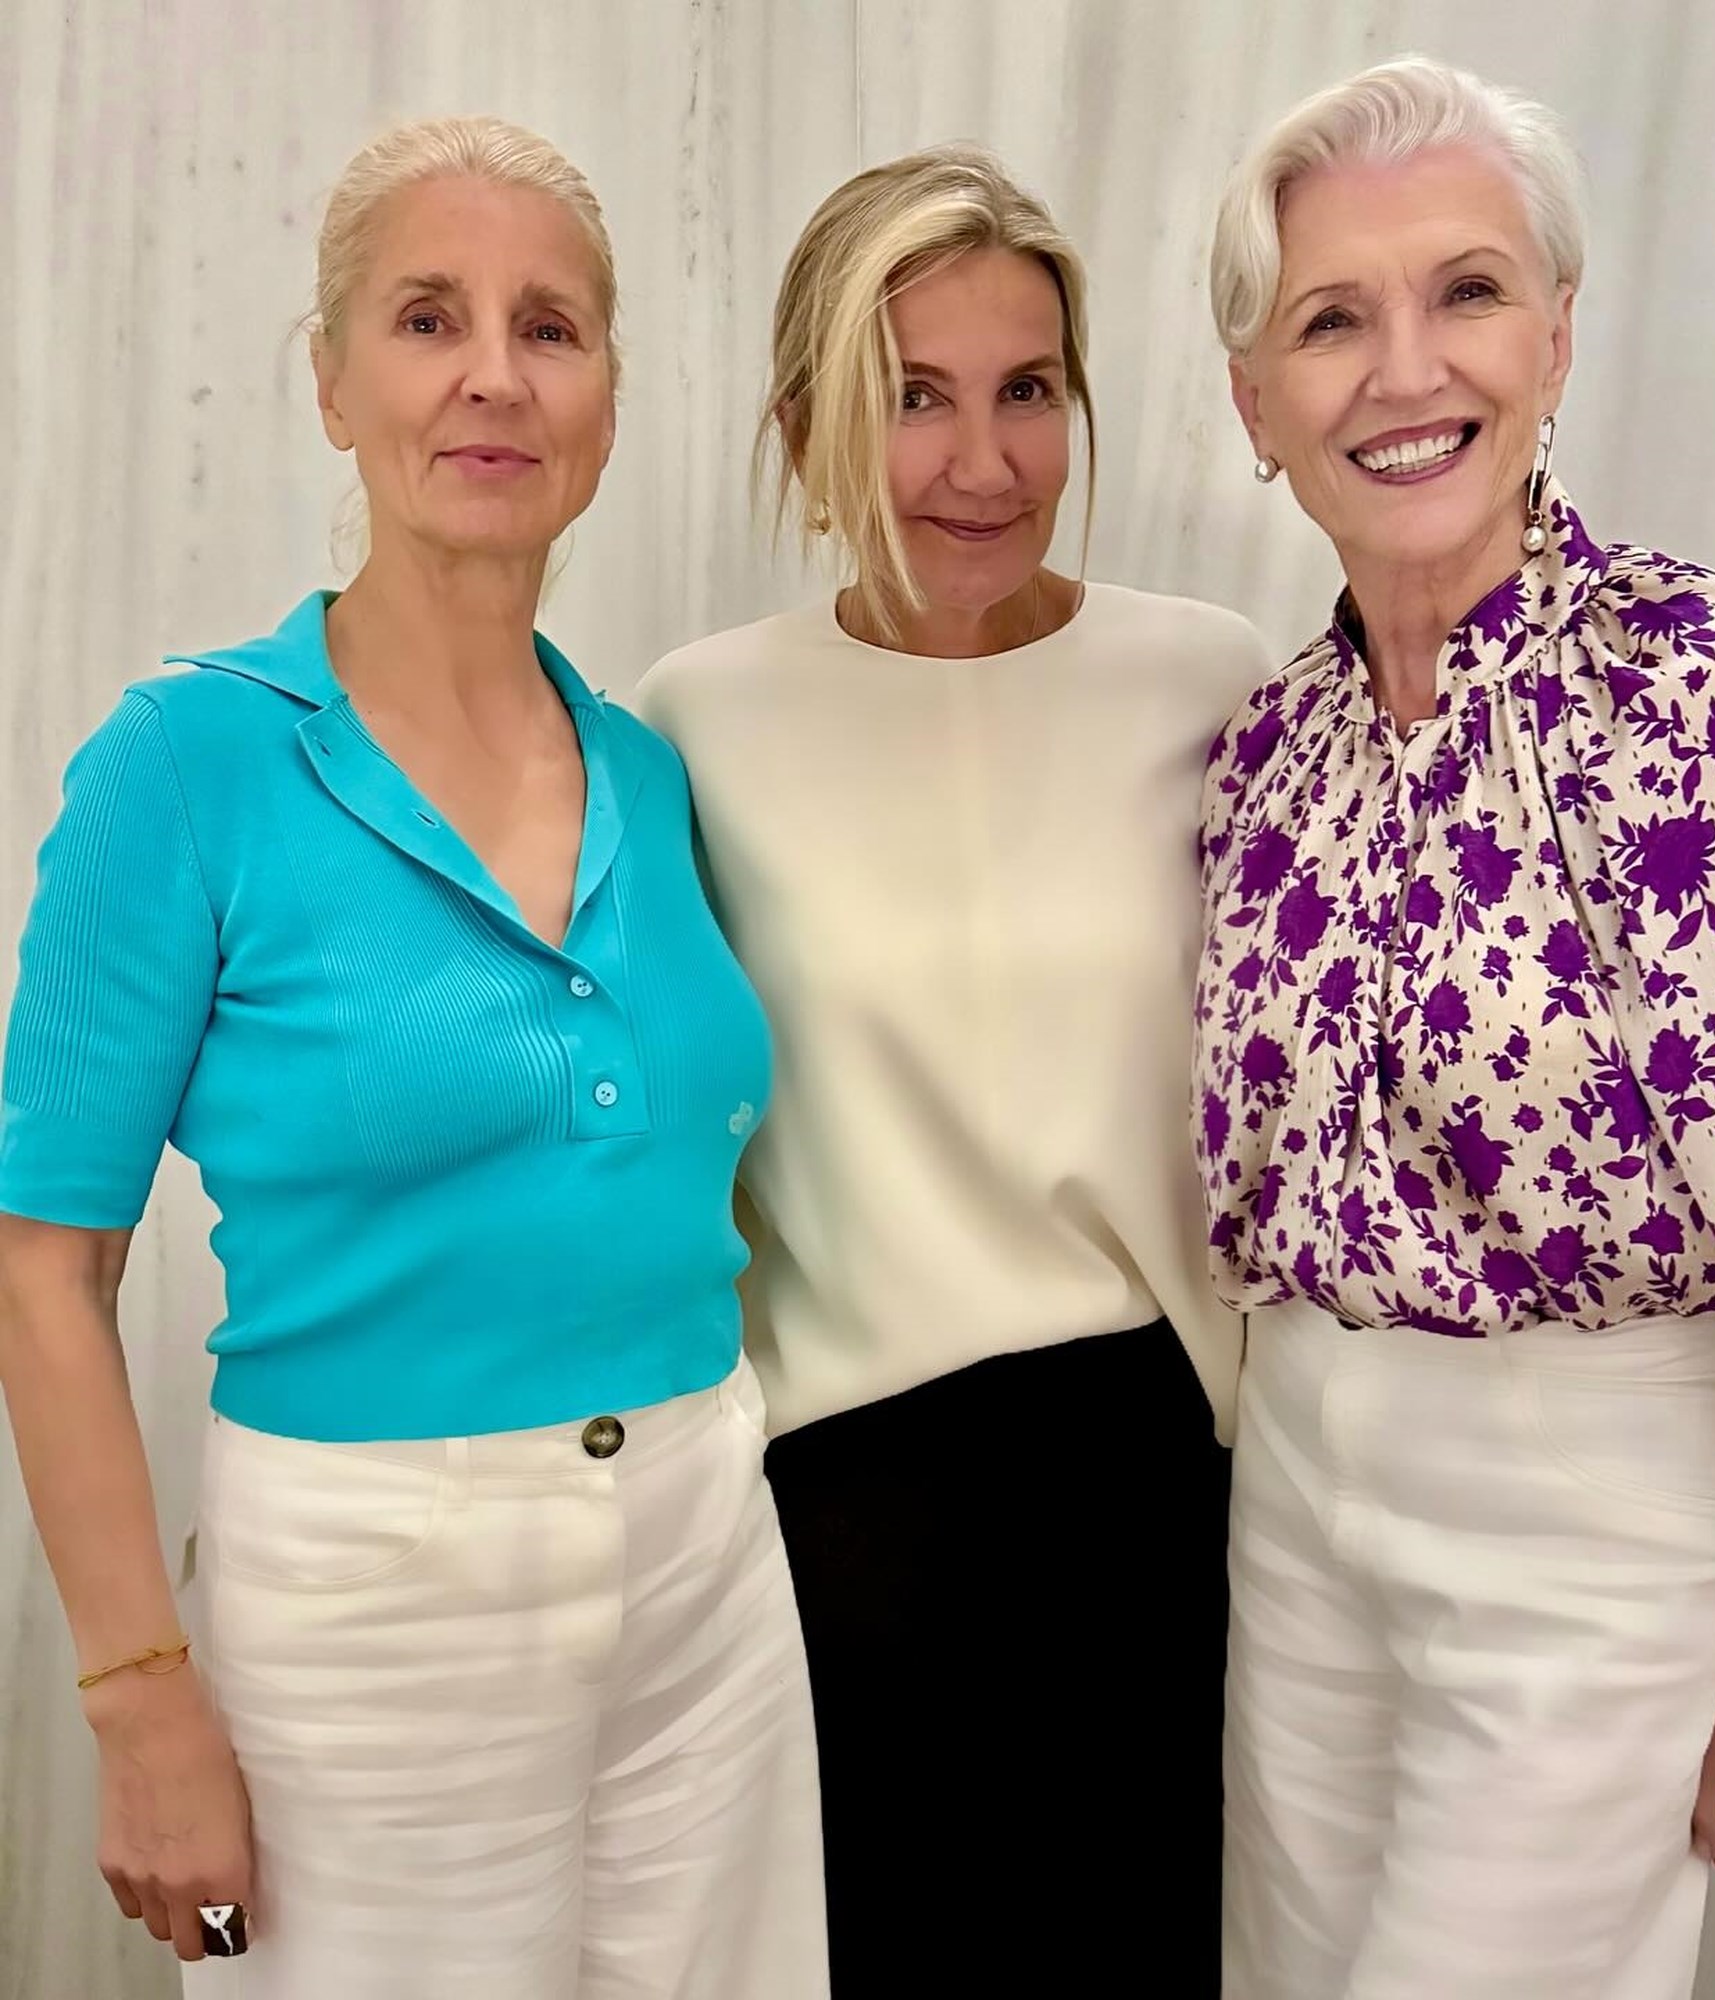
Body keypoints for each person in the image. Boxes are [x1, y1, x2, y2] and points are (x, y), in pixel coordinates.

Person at [1196, 54, 1715, 2000]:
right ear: (1254, 402)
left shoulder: (1714, 690)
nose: (1403, 370)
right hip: (1293, 1515)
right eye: (1330, 319)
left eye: (1465, 292)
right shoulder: (1262, 756)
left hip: (1593, 1539)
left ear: (1556, 336)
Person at [0, 116, 825, 1999]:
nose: (493, 376)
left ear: (606, 399)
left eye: (550, 328)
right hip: (371, 1610)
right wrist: (140, 1701)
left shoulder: (651, 769)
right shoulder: (180, 766)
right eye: (428, 318)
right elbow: (44, 1271)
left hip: (708, 1561)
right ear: (329, 380)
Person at [637, 145, 1268, 1997]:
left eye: (1027, 390)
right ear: (804, 426)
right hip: (842, 1513)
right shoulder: (694, 722)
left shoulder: (1210, 683)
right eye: (913, 396)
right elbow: (659, 1145)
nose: (983, 462)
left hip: (1158, 1490)